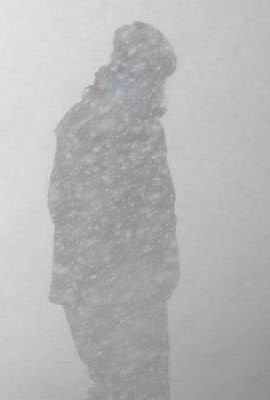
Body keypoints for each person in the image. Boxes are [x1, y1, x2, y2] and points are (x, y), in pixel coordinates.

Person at [47, 22, 179, 400]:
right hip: (121, 291)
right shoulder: (121, 126)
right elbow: (93, 211)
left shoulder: (90, 119)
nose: (162, 90)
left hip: (103, 288)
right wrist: (140, 272)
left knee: (121, 388)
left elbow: (64, 204)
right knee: (137, 388)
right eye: (157, 77)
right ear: (142, 73)